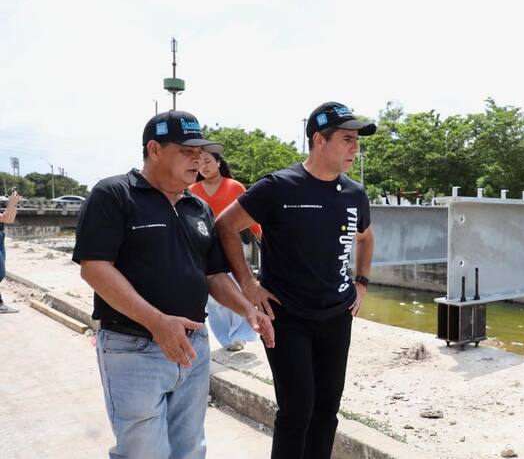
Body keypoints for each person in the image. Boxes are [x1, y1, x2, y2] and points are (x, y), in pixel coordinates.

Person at [73, 110, 275, 459]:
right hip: (132, 346)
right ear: (154, 149)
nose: (198, 159)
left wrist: (247, 309)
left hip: (193, 347)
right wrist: (157, 322)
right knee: (143, 451)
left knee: (189, 448)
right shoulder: (114, 194)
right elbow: (94, 268)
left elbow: (212, 276)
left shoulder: (198, 207)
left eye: (201, 152)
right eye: (186, 151)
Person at [216, 101, 376, 459]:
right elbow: (226, 226)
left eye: (357, 141)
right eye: (347, 139)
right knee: (297, 410)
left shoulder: (354, 193)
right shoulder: (279, 187)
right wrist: (249, 285)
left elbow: (365, 237)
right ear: (319, 140)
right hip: (286, 315)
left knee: (326, 412)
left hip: (336, 316)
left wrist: (362, 282)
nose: (356, 148)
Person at [190, 152, 262, 351]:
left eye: (208, 161)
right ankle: (227, 339)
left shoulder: (235, 187)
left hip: (234, 246)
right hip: (205, 249)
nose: (203, 167)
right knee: (215, 300)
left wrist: (262, 236)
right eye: (199, 163)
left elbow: (251, 217)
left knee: (239, 289)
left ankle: (241, 333)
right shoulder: (191, 190)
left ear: (219, 162)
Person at [0, 189, 22, 314]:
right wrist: (12, 202)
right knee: (0, 272)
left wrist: (14, 203)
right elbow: (5, 217)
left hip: (0, 237)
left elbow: (9, 219)